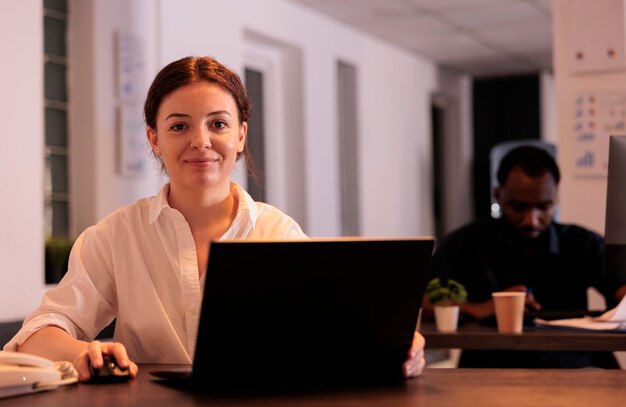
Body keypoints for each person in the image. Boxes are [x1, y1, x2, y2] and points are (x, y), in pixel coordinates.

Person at [4, 56, 425, 381]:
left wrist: (401, 346)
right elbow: (39, 332)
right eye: (179, 126)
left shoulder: (278, 233)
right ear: (154, 138)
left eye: (218, 124)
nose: (200, 142)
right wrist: (81, 352)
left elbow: (335, 333)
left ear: (241, 134)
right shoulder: (116, 235)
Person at [427, 144, 626, 368]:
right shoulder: (466, 243)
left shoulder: (583, 243)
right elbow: (423, 302)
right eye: (518, 207)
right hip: (489, 371)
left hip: (574, 367)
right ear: (497, 194)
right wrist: (478, 309)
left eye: (544, 206)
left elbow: (622, 293)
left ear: (556, 196)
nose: (531, 220)